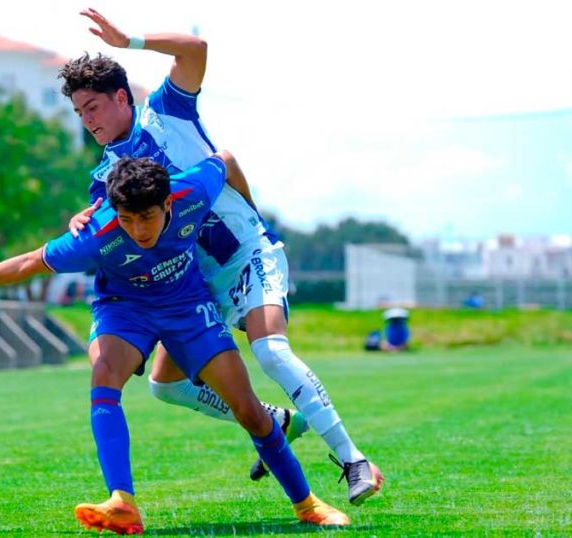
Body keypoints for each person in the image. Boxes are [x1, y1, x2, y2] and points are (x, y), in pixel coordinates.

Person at [59, 8, 383, 505]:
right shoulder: (106, 176)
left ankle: (355, 459)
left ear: (121, 97)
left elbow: (197, 51)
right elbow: (103, 226)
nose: (87, 121)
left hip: (249, 257)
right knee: (164, 385)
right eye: (79, 113)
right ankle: (276, 421)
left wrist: (131, 40)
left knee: (270, 349)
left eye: (92, 107)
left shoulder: (167, 110)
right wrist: (77, 221)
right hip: (200, 283)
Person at [0, 154, 349, 533]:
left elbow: (225, 160)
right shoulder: (98, 233)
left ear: (169, 204)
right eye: (128, 219)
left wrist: (252, 217)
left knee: (249, 410)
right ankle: (123, 501)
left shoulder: (192, 190)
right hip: (125, 308)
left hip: (188, 306)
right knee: (105, 373)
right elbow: (31, 261)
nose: (138, 230)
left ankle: (307, 503)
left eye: (146, 217)